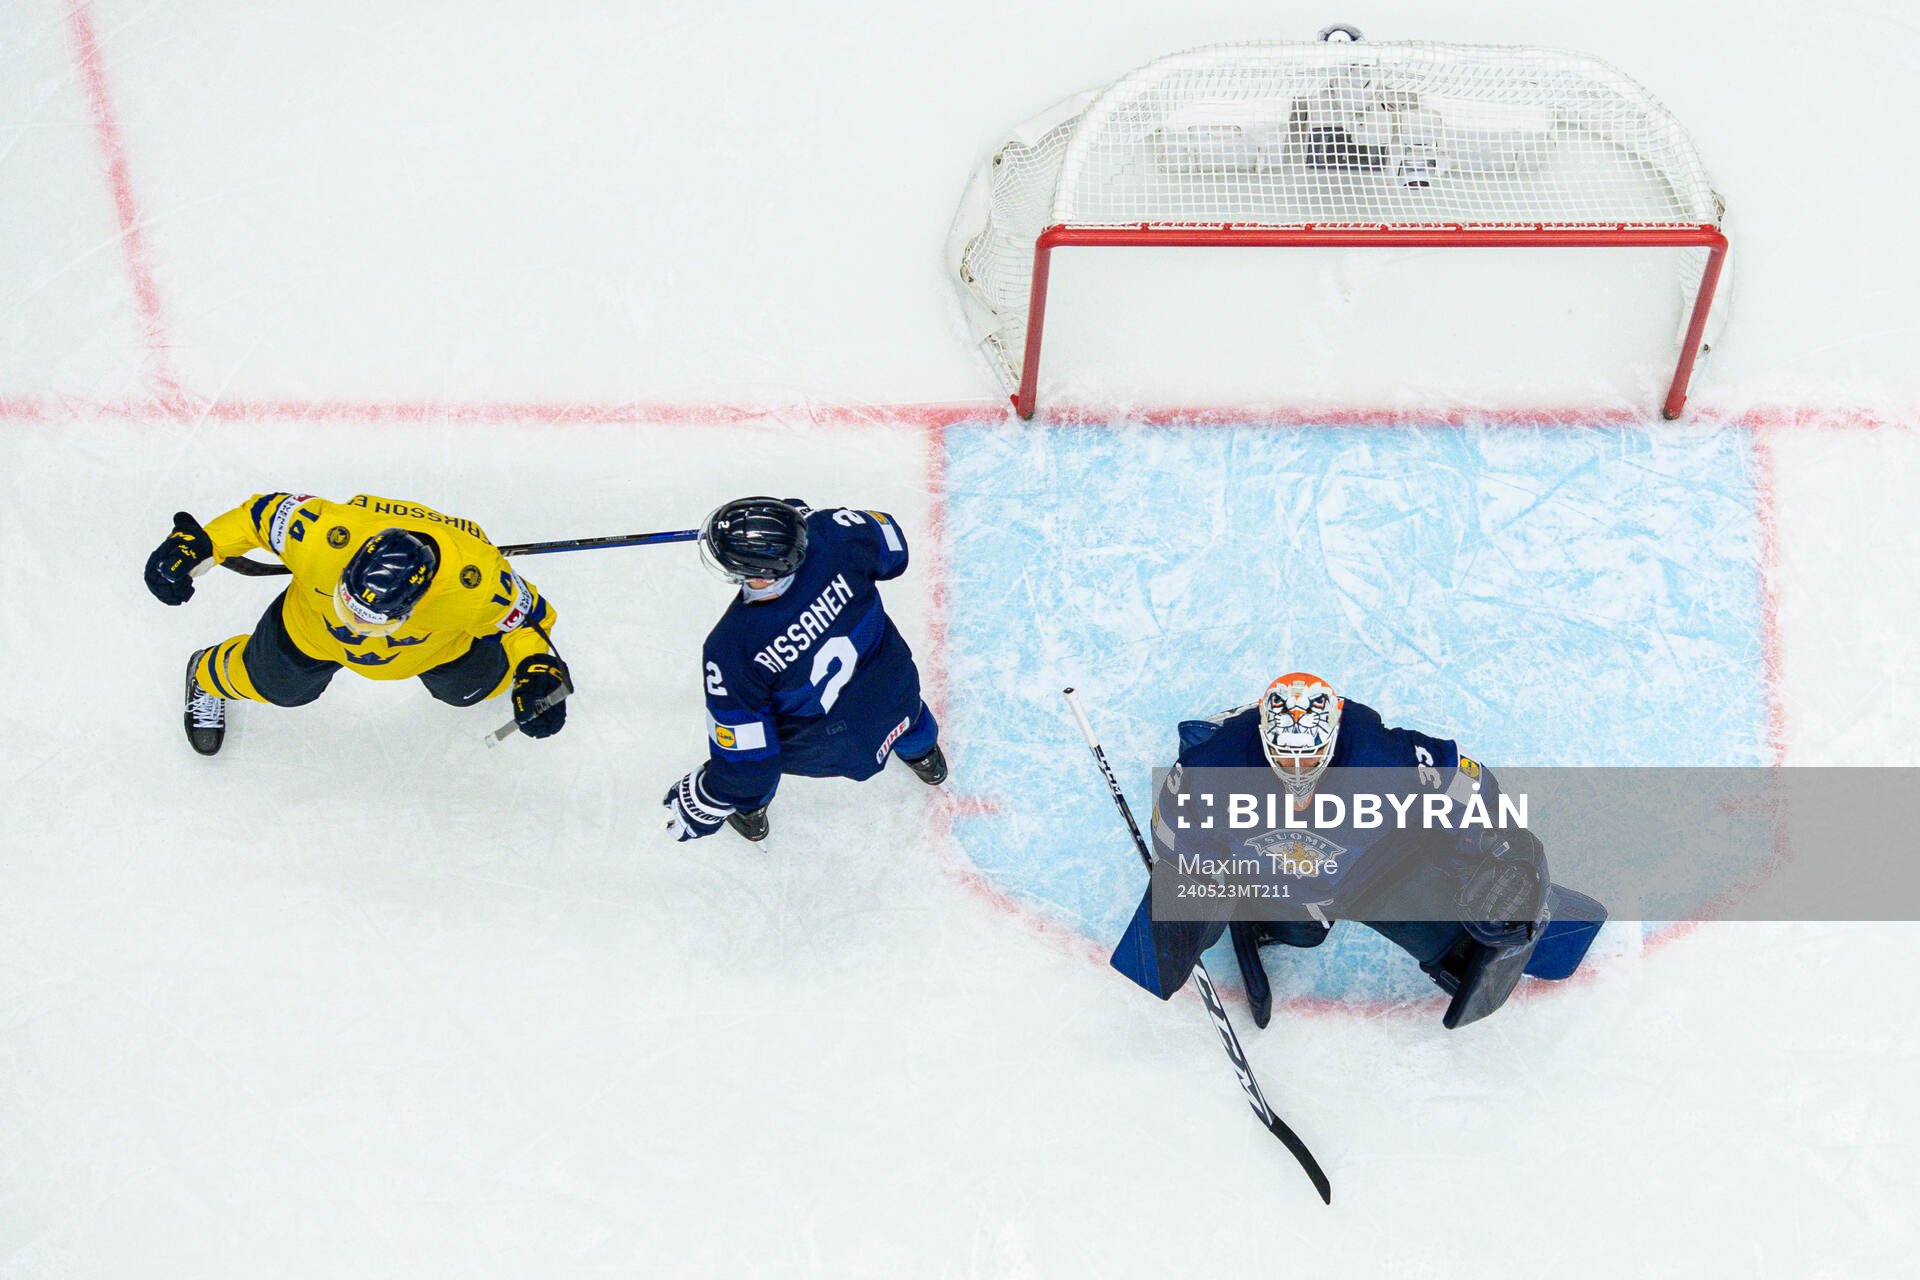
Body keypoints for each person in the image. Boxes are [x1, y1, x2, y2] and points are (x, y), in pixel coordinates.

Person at [1115, 672, 1605, 1029]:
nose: (1297, 767)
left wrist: (1496, 840)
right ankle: (1265, 920)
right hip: (1274, 877)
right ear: (1263, 738)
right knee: (1301, 931)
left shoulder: (1382, 756)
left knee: (1460, 949)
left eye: (1310, 754)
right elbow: (1173, 838)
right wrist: (1202, 890)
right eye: (1285, 754)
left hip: (1376, 868)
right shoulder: (1209, 769)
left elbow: (1466, 780)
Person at [142, 492, 569, 755]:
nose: (357, 628)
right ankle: (206, 672)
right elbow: (258, 516)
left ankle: (507, 684)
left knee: (469, 690)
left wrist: (536, 674)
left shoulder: (479, 586)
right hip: (310, 629)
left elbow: (527, 623)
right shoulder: (327, 533)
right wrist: (200, 543)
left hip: (439, 646)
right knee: (276, 687)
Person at [664, 497, 944, 843]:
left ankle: (751, 815)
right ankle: (924, 756)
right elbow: (893, 547)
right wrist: (818, 525)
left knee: (765, 761)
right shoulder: (835, 537)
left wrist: (709, 797)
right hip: (893, 687)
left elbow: (750, 763)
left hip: (826, 743)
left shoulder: (732, 649)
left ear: (761, 577)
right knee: (910, 717)